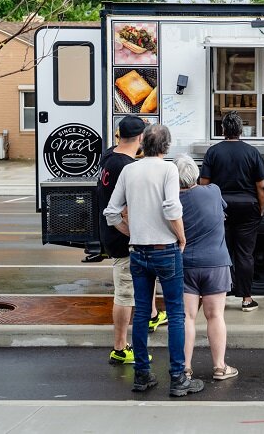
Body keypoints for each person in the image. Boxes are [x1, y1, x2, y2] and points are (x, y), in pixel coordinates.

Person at [104, 124, 204, 397]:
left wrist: (131, 232)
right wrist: (181, 238)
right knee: (175, 314)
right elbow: (172, 208)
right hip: (166, 249)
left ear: (143, 143)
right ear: (166, 147)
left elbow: (111, 212)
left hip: (137, 251)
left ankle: (142, 375)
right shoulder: (169, 170)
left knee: (140, 313)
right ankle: (177, 377)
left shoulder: (129, 170)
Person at [98, 116, 167, 366]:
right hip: (121, 237)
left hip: (111, 234)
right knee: (125, 293)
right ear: (140, 138)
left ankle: (150, 315)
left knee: (143, 279)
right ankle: (119, 347)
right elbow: (124, 208)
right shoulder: (125, 167)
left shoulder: (109, 156)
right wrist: (136, 232)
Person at [174, 155, 238, 382]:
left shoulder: (173, 200)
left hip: (185, 264)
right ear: (196, 174)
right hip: (216, 263)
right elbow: (222, 215)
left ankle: (185, 368)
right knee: (215, 315)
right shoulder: (213, 191)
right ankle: (220, 367)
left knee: (187, 318)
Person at [201, 112, 264, 311]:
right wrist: (261, 208)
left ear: (223, 130)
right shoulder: (252, 152)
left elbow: (204, 183)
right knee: (245, 253)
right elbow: (261, 186)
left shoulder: (213, 152)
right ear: (241, 131)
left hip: (219, 207)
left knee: (221, 251)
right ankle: (247, 299)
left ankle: (220, 296)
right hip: (248, 207)